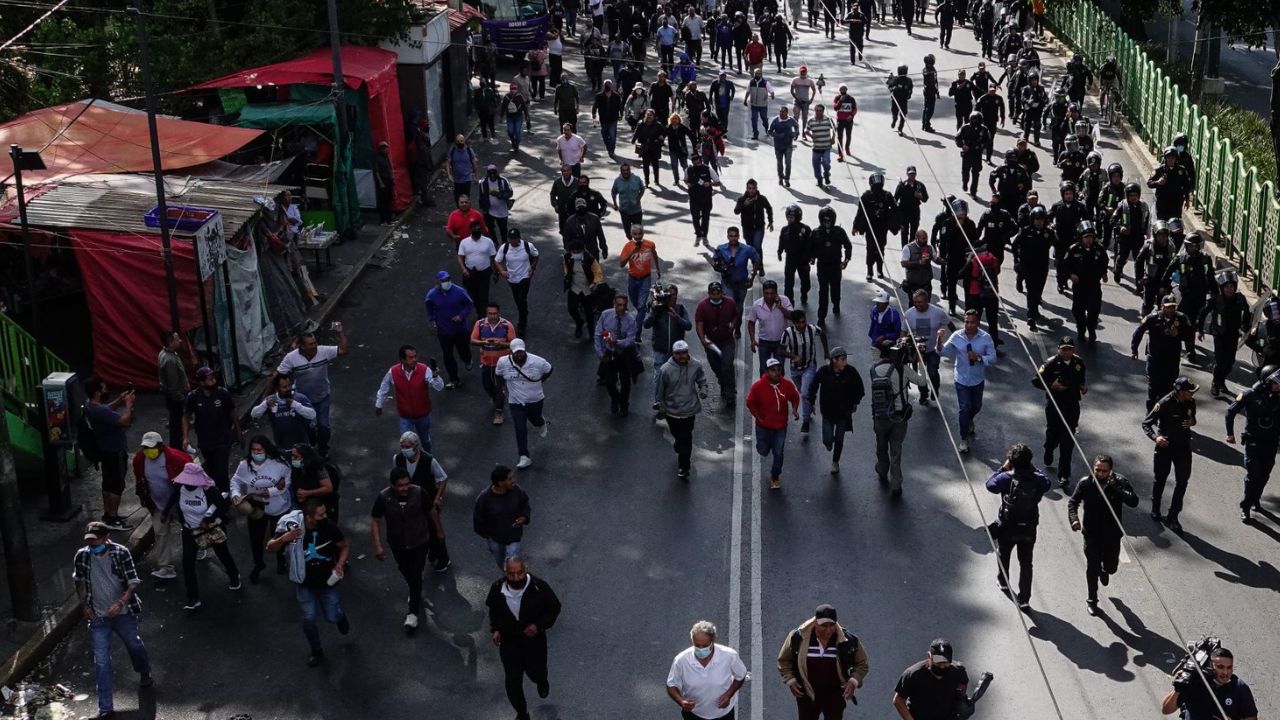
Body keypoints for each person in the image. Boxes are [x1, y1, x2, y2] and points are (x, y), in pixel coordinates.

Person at [73, 521, 153, 718]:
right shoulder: (82, 556)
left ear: (106, 538)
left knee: (134, 645)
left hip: (123, 613)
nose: (92, 544)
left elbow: (133, 582)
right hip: (98, 617)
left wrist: (120, 603)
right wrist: (84, 605)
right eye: (90, 541)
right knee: (101, 661)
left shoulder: (120, 553)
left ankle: (144, 671)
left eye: (96, 540)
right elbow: (80, 581)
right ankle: (105, 708)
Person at [268, 499, 350, 667]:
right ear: (309, 517)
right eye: (321, 515)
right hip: (304, 584)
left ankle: (339, 616)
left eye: (325, 512)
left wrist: (340, 564)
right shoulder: (292, 528)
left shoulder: (329, 527)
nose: (325, 516)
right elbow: (270, 548)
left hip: (328, 582)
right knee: (309, 618)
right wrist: (284, 539)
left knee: (331, 616)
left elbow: (344, 547)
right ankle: (316, 650)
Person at [487, 556, 562, 720]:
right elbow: (494, 610)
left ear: (525, 570)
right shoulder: (497, 589)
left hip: (534, 642)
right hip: (509, 643)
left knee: (536, 672)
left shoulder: (539, 587)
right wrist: (496, 629)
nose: (515, 578)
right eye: (511, 574)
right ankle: (522, 713)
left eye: (519, 573)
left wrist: (538, 625)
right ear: (505, 572)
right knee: (512, 682)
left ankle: (542, 680)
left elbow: (554, 608)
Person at [1068, 455, 1139, 615]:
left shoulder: (1120, 481)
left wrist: (1117, 488)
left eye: (1104, 471)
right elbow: (1073, 502)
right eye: (1097, 470)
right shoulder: (1085, 483)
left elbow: (1133, 501)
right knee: (1091, 568)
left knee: (1111, 567)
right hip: (1091, 534)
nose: (1100, 474)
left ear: (1110, 470)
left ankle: (1105, 569)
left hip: (1112, 535)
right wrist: (1074, 519)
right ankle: (1092, 600)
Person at [985, 443, 1051, 610]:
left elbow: (990, 485)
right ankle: (1024, 598)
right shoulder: (1038, 479)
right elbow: (1048, 483)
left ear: (1011, 461)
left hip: (1008, 526)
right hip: (1029, 527)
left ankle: (1003, 581)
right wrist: (1034, 468)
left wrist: (1003, 468)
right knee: (1026, 563)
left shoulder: (1007, 478)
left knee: (1003, 554)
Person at [371, 467, 437, 632]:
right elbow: (375, 520)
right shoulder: (384, 497)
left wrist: (439, 532)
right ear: (393, 486)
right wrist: (378, 545)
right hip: (398, 544)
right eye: (400, 485)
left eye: (407, 484)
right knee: (405, 570)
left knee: (415, 574)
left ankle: (413, 613)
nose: (405, 488)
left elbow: (431, 511)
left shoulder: (419, 493)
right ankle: (416, 590)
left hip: (419, 542)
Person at [776, 603, 868, 720]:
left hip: (835, 697)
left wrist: (853, 681)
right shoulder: (798, 637)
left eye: (832, 625)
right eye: (824, 626)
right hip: (807, 695)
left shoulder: (848, 640)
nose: (828, 630)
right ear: (815, 622)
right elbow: (784, 660)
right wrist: (790, 679)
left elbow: (862, 663)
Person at [170, 462, 240, 611]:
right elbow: (172, 501)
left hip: (211, 529)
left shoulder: (209, 491)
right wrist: (165, 513)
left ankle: (234, 575)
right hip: (190, 531)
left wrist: (208, 518)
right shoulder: (178, 489)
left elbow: (223, 506)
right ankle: (192, 598)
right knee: (187, 563)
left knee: (222, 554)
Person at [274, 327, 349, 458]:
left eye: (315, 343)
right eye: (310, 344)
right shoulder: (291, 358)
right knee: (307, 427)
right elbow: (278, 375)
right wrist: (268, 397)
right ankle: (311, 444)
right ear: (302, 346)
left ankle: (323, 450)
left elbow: (343, 350)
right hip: (302, 400)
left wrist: (340, 333)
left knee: (323, 426)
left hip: (322, 396)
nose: (314, 346)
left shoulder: (323, 351)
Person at [229, 436, 292, 582]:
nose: (256, 453)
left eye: (259, 450)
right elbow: (235, 480)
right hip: (257, 508)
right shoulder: (245, 465)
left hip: (279, 507)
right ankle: (258, 564)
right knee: (256, 539)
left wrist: (270, 492)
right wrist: (236, 495)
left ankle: (281, 560)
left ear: (266, 450)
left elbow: (286, 484)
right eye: (253, 450)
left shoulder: (279, 464)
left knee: (279, 536)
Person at [868, 341, 925, 494]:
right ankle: (896, 483)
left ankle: (882, 468)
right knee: (896, 450)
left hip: (880, 416)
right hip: (899, 417)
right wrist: (920, 361)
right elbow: (922, 381)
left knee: (881, 446)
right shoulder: (903, 369)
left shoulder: (873, 370)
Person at [1143, 377, 1199, 532]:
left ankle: (1173, 515)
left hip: (1183, 447)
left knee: (1182, 481)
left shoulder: (1190, 402)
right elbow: (1146, 423)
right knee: (1160, 478)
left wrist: (1192, 422)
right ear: (1181, 391)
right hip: (1165, 447)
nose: (1192, 394)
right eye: (1189, 391)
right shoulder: (1164, 403)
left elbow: (1193, 419)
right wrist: (1156, 438)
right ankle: (1155, 508)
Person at [131, 432, 189, 580]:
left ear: (161, 446)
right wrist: (144, 499)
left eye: (151, 447)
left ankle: (198, 547)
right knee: (160, 533)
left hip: (179, 503)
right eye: (145, 447)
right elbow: (140, 480)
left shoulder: (177, 459)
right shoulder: (140, 459)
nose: (148, 451)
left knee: (191, 528)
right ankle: (166, 567)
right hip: (157, 504)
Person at [1032, 337, 1087, 488]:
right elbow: (1036, 380)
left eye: (1069, 349)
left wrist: (1082, 386)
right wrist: (1051, 385)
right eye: (1063, 349)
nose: (1066, 352)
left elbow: (1081, 377)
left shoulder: (1078, 363)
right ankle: (1048, 449)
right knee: (1053, 435)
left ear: (1073, 350)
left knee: (1067, 442)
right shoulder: (1050, 364)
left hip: (1072, 406)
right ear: (1058, 349)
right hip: (1055, 405)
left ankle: (1064, 475)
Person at [1226, 369, 1280, 523]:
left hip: (1271, 443)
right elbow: (1230, 411)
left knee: (1264, 475)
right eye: (1275, 384)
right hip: (1254, 442)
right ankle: (1245, 506)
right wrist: (1230, 433)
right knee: (1253, 476)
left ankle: (1256, 499)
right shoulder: (1250, 395)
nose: (1278, 387)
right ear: (1266, 381)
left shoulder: (1278, 397)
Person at [666, 620, 749, 720]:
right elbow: (671, 685)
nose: (701, 649)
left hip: (723, 715)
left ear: (712, 641)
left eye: (705, 646)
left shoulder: (729, 656)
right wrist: (681, 701)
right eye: (697, 645)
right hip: (695, 715)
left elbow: (740, 675)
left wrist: (728, 695)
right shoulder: (681, 660)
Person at [83, 377, 136, 530]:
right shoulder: (100, 410)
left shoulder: (90, 406)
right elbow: (124, 421)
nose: (107, 391)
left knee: (108, 483)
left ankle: (108, 514)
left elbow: (106, 410)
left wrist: (118, 401)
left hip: (105, 449)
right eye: (104, 389)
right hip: (115, 450)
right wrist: (128, 405)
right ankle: (113, 518)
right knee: (117, 485)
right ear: (98, 392)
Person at [942, 310, 997, 453]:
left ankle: (969, 419)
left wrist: (979, 358)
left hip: (977, 379)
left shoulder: (986, 338)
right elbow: (943, 352)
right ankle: (963, 438)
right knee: (964, 408)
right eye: (966, 322)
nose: (968, 325)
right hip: (961, 379)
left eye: (972, 322)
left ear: (978, 323)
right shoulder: (956, 336)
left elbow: (993, 358)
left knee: (976, 406)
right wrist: (938, 341)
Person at [495, 338, 554, 468]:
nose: (519, 355)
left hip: (535, 400)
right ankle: (524, 456)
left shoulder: (538, 361)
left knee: (535, 420)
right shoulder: (503, 362)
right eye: (516, 353)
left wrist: (540, 381)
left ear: (525, 350)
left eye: (521, 352)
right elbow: (498, 375)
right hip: (516, 402)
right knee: (520, 428)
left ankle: (541, 422)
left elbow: (549, 369)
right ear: (511, 352)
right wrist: (500, 389)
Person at [374, 344, 446, 449]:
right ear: (402, 359)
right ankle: (409, 464)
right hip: (405, 416)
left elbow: (439, 387)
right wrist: (378, 405)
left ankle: (428, 462)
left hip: (423, 415)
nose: (414, 359)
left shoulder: (424, 370)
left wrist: (435, 375)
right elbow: (384, 387)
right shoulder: (393, 372)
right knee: (406, 445)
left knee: (425, 441)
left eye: (415, 356)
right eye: (411, 357)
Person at [807, 347, 865, 475]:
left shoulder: (851, 372)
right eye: (842, 360)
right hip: (828, 412)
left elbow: (860, 388)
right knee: (827, 439)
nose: (845, 362)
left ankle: (835, 461)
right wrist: (811, 402)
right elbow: (813, 386)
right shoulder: (824, 372)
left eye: (845, 359)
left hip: (843, 413)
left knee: (839, 439)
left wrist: (855, 402)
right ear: (834, 360)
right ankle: (829, 444)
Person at [656, 340, 708, 478]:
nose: (681, 356)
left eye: (684, 353)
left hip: (689, 411)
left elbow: (702, 380)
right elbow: (660, 390)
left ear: (687, 352)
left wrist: (703, 390)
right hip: (671, 412)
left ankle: (684, 466)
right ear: (673, 354)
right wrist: (661, 407)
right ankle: (679, 446)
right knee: (678, 437)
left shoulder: (696, 365)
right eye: (678, 353)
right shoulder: (665, 369)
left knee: (686, 438)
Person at [1160, 647, 1258, 719]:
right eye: (1220, 667)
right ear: (1211, 666)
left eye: (1229, 667)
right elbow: (1166, 710)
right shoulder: (1194, 683)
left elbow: (1252, 717)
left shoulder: (1239, 687)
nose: (1225, 672)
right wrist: (1177, 689)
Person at [748, 357, 801, 489]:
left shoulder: (787, 385)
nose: (776, 373)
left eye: (778, 369)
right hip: (763, 426)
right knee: (763, 450)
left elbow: (795, 396)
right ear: (767, 372)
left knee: (779, 452)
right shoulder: (758, 387)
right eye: (773, 370)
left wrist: (794, 409)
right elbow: (750, 402)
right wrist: (757, 416)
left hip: (780, 426)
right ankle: (764, 447)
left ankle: (775, 476)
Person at [1131, 295, 1192, 410]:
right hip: (1155, 358)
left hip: (1172, 359)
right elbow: (1139, 331)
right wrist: (1134, 349)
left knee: (1168, 388)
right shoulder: (1152, 318)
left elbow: (1190, 335)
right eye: (1168, 307)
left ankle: (1163, 414)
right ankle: (1150, 413)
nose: (1171, 310)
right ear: (1162, 307)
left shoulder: (1182, 319)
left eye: (1173, 307)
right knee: (1153, 387)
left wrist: (1178, 334)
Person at [1197, 270, 1251, 397]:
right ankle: (1216, 383)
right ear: (1222, 288)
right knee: (1220, 361)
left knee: (1230, 362)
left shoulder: (1240, 298)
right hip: (1219, 334)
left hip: (1233, 335)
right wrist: (1200, 330)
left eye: (1231, 286)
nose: (1229, 289)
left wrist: (1245, 325)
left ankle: (1221, 381)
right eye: (1226, 287)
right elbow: (1203, 313)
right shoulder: (1216, 299)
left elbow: (1247, 312)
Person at [891, 640, 970, 720]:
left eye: (945, 662)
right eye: (938, 662)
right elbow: (898, 700)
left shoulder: (958, 671)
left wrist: (960, 700)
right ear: (929, 656)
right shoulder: (912, 674)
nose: (942, 666)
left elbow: (963, 684)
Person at [473, 465, 532, 567]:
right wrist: (487, 535)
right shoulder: (484, 498)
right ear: (500, 483)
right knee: (501, 562)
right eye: (509, 479)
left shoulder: (516, 490)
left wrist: (524, 517)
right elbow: (478, 519)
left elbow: (525, 505)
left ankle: (511, 576)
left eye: (513, 477)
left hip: (513, 537)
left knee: (512, 563)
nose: (513, 480)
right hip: (495, 539)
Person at [902, 290, 952, 405]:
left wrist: (959, 338)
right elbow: (903, 331)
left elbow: (949, 323)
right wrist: (904, 344)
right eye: (915, 302)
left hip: (932, 350)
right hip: (917, 351)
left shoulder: (938, 312)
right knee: (920, 375)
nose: (917, 305)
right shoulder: (908, 314)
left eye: (920, 302)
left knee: (932, 372)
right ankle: (923, 394)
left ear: (927, 301)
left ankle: (935, 389)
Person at [595, 295, 641, 416]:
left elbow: (631, 339)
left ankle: (624, 404)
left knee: (625, 381)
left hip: (624, 354)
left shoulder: (630, 320)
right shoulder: (606, 315)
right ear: (614, 304)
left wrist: (618, 342)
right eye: (619, 305)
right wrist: (600, 353)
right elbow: (598, 334)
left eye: (624, 305)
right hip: (610, 353)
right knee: (609, 381)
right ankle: (615, 398)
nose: (622, 308)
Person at [696, 282, 741, 403]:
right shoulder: (702, 306)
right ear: (709, 294)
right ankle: (723, 382)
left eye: (718, 293)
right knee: (716, 367)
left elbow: (736, 316)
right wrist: (702, 339)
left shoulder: (730, 302)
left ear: (722, 293)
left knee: (727, 365)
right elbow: (699, 324)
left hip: (727, 341)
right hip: (711, 343)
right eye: (713, 294)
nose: (716, 296)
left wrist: (733, 325)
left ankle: (730, 392)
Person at [251, 374, 316, 451]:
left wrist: (296, 405)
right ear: (276, 388)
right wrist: (265, 405)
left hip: (302, 447)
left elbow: (312, 415)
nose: (288, 389)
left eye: (289, 385)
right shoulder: (270, 400)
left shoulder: (300, 398)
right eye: (284, 387)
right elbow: (253, 414)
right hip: (282, 448)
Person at [812, 207, 852, 327]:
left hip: (835, 266)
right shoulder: (816, 232)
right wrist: (812, 258)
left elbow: (848, 245)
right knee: (823, 291)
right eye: (824, 221)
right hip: (822, 266)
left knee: (835, 289)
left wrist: (846, 260)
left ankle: (836, 304)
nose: (827, 223)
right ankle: (821, 317)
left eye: (829, 221)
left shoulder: (839, 232)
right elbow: (811, 247)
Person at [496, 228, 541, 334]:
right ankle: (524, 311)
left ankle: (522, 323)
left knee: (521, 299)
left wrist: (533, 268)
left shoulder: (527, 246)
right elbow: (497, 261)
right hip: (511, 279)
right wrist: (502, 271)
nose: (513, 241)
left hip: (524, 277)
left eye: (515, 238)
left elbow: (536, 256)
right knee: (518, 300)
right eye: (511, 239)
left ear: (519, 238)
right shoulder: (505, 247)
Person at [620, 225, 663, 331]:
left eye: (640, 233)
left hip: (645, 278)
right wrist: (632, 253)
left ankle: (637, 332)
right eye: (635, 234)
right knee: (636, 303)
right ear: (631, 234)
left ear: (643, 234)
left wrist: (657, 269)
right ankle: (643, 309)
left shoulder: (650, 244)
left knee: (641, 305)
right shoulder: (628, 246)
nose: (638, 236)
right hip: (633, 278)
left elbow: (654, 255)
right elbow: (622, 263)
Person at [749, 280, 795, 372]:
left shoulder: (784, 300)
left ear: (776, 293)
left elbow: (791, 317)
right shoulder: (757, 305)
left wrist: (780, 307)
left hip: (781, 343)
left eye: (772, 293)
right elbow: (751, 322)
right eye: (767, 293)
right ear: (763, 292)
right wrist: (753, 340)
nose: (769, 296)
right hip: (764, 343)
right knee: (764, 370)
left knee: (779, 370)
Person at [458, 221, 499, 316]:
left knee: (483, 296)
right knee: (474, 295)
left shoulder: (488, 241)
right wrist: (463, 269)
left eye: (478, 228)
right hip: (470, 273)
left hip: (484, 273)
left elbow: (493, 257)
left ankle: (483, 316)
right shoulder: (464, 242)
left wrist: (496, 272)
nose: (477, 230)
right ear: (470, 230)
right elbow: (460, 257)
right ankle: (478, 311)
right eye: (474, 229)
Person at [156, 331, 188, 448]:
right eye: (177, 339)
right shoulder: (169, 360)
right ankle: (177, 448)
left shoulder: (169, 354)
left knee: (176, 423)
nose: (179, 341)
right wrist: (181, 398)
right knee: (177, 425)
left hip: (173, 397)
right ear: (170, 342)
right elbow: (173, 384)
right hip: (176, 398)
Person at [478, 164, 515, 245]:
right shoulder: (483, 183)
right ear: (487, 174)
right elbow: (481, 196)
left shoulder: (503, 181)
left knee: (503, 229)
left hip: (502, 210)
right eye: (490, 173)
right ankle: (494, 242)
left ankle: (504, 243)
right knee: (490, 227)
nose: (492, 175)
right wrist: (483, 209)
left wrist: (499, 195)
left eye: (494, 173)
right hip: (489, 210)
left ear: (497, 173)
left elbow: (510, 193)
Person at [805, 104, 839, 185]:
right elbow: (806, 130)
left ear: (823, 111)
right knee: (816, 166)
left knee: (826, 163)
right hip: (816, 147)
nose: (818, 112)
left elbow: (834, 128)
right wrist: (810, 135)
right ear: (815, 111)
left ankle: (826, 174)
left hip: (826, 146)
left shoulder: (828, 120)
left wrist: (833, 138)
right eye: (817, 110)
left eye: (820, 111)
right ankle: (819, 179)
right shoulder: (811, 120)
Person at [612, 163, 648, 238]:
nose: (625, 172)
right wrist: (615, 204)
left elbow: (642, 188)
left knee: (638, 233)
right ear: (621, 171)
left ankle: (637, 246)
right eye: (623, 170)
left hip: (636, 210)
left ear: (630, 170)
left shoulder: (636, 179)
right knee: (628, 233)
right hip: (624, 211)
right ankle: (631, 244)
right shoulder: (617, 181)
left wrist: (638, 198)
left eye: (627, 170)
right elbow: (613, 192)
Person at [447, 134, 480, 200]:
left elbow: (474, 164)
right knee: (457, 198)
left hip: (467, 179)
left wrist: (476, 176)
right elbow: (448, 163)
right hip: (456, 180)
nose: (460, 143)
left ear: (464, 141)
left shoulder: (469, 151)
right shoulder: (452, 151)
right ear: (456, 142)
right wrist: (449, 175)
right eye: (458, 141)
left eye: (461, 141)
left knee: (465, 198)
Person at [744, 68, 775, 139]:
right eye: (756, 73)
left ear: (761, 74)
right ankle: (755, 133)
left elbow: (771, 91)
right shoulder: (751, 82)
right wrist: (745, 100)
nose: (758, 75)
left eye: (759, 73)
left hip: (763, 105)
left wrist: (772, 95)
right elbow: (748, 91)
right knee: (754, 119)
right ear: (754, 74)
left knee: (764, 118)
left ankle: (767, 129)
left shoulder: (765, 83)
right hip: (754, 104)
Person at [502, 84, 533, 151]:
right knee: (510, 132)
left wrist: (527, 116)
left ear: (516, 89)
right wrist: (501, 117)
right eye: (512, 88)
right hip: (510, 118)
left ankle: (517, 145)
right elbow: (503, 107)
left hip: (518, 117)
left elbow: (524, 107)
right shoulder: (506, 97)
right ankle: (513, 141)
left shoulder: (519, 97)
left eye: (515, 88)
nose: (513, 90)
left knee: (517, 132)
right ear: (510, 89)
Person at [886, 65, 913, 135]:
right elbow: (889, 85)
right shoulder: (896, 79)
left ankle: (900, 129)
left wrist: (909, 94)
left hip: (904, 100)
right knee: (894, 112)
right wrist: (890, 80)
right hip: (895, 99)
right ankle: (894, 120)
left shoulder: (908, 81)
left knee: (903, 115)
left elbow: (910, 89)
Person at [373, 140, 395, 224]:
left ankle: (388, 219)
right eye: (385, 148)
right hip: (383, 181)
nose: (386, 149)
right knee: (383, 201)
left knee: (389, 200)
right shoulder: (377, 158)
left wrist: (392, 177)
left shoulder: (386, 157)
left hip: (389, 180)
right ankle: (383, 220)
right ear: (381, 149)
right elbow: (376, 171)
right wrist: (381, 182)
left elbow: (390, 168)